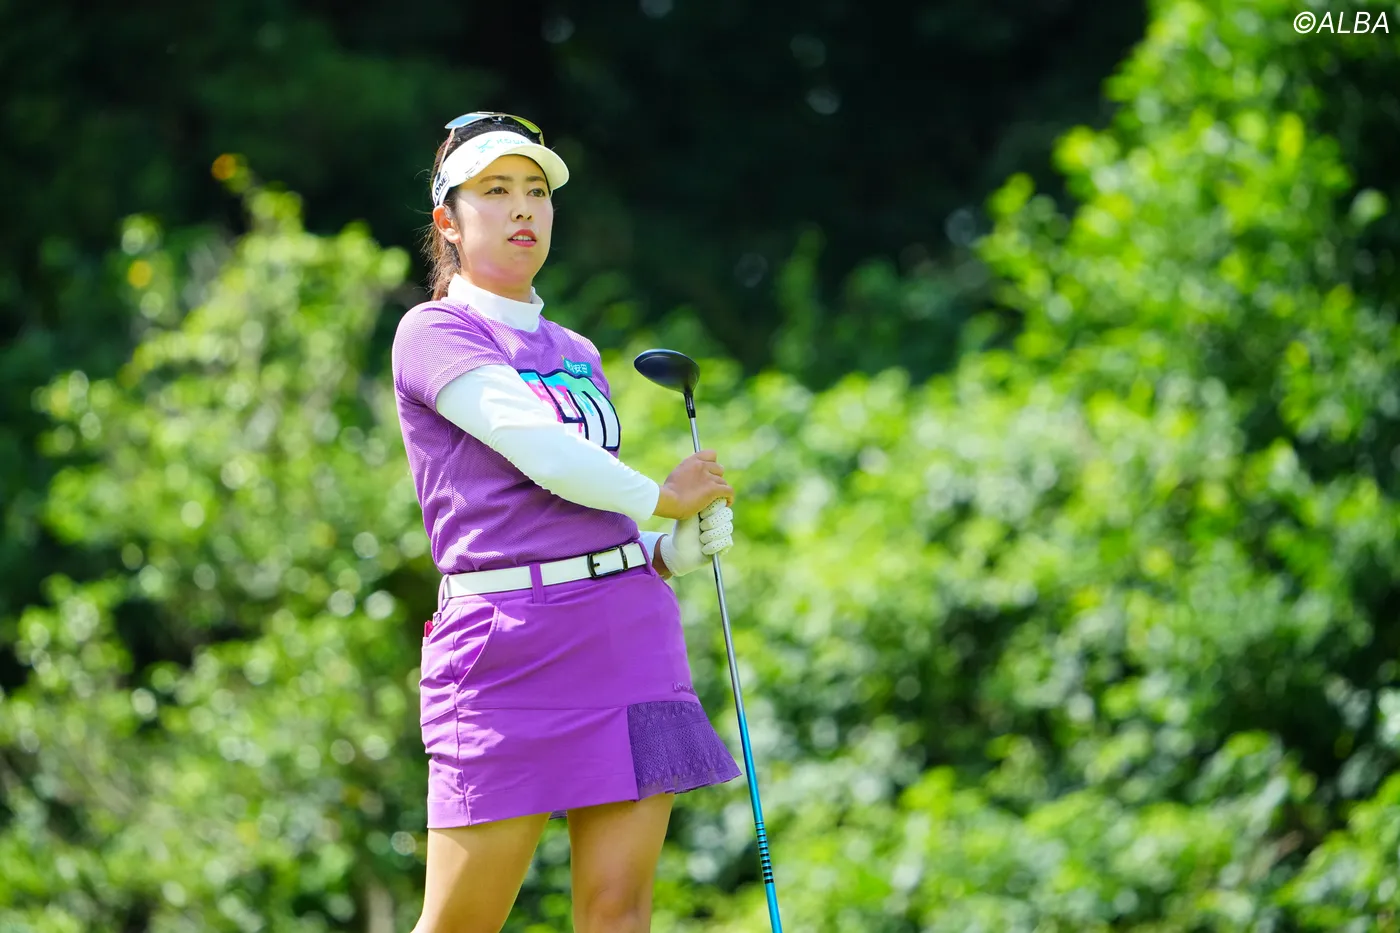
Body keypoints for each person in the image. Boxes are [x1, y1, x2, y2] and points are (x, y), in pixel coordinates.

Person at [390, 112, 743, 933]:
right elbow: (541, 452)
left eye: (536, 190)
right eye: (495, 190)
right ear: (449, 220)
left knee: (618, 913)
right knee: (460, 923)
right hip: (504, 649)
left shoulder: (576, 350)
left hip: (626, 636)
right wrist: (664, 497)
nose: (523, 207)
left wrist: (665, 549)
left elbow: (580, 512)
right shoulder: (435, 331)